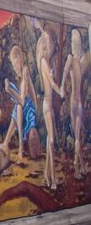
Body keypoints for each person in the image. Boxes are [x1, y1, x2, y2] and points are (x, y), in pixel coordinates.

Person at [36, 31, 65, 189]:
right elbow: (52, 84)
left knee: (49, 140)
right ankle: (53, 180)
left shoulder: (44, 62)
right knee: (52, 140)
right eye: (51, 46)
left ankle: (47, 175)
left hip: (47, 104)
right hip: (47, 104)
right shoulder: (44, 62)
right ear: (47, 47)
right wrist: (60, 91)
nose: (53, 49)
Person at [3, 45, 40, 160]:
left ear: (19, 58)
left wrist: (10, 90)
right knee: (18, 108)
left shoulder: (25, 71)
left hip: (30, 109)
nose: (14, 68)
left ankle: (19, 146)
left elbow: (23, 101)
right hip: (26, 107)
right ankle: (10, 143)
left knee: (19, 106)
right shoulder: (22, 73)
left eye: (15, 64)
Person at [60, 29, 87, 178]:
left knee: (77, 137)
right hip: (80, 103)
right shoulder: (82, 61)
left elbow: (64, 75)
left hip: (73, 103)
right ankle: (80, 165)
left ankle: (77, 167)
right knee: (77, 136)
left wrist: (62, 87)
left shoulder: (70, 58)